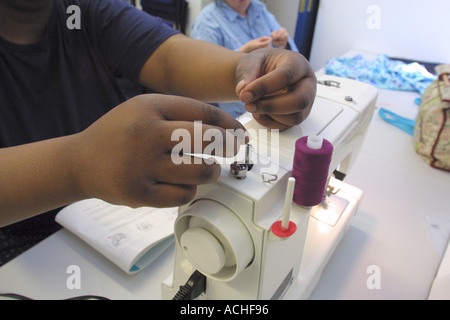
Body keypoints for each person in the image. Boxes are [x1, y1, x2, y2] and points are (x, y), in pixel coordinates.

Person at [0, 0, 316, 266]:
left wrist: (250, 68)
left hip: (111, 222)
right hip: (22, 248)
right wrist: (78, 166)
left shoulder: (85, 11)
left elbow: (167, 58)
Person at [191, 0, 299, 118]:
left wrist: (282, 44)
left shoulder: (259, 9)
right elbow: (202, 74)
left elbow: (293, 57)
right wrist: (243, 54)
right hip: (239, 112)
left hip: (273, 100)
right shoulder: (207, 21)